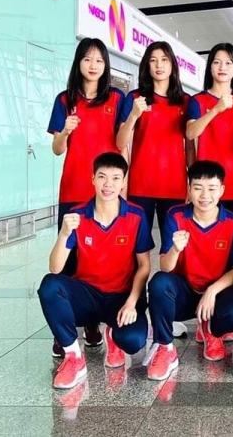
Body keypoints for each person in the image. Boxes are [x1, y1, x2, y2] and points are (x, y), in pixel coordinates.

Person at [37, 152, 153, 389]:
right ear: (93, 179)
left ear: (123, 182)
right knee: (50, 285)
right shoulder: (77, 215)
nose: (108, 184)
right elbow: (55, 267)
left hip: (120, 299)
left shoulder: (136, 215)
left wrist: (132, 302)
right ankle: (73, 357)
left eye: (115, 178)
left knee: (132, 341)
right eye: (102, 177)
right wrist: (64, 234)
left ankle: (112, 334)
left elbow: (144, 266)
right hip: (87, 295)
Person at [47, 38, 125, 355]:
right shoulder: (65, 100)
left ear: (105, 66)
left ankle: (92, 321)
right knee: (69, 259)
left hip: (105, 195)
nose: (93, 66)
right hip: (74, 189)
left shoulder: (116, 99)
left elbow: (122, 143)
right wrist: (65, 130)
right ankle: (63, 328)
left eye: (99, 61)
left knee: (99, 260)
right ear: (78, 62)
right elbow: (56, 149)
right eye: (87, 59)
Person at [146, 161, 233, 380]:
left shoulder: (232, 222)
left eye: (212, 188)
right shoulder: (176, 216)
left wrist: (212, 291)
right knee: (158, 283)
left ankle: (212, 330)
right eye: (198, 188)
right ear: (189, 189)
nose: (205, 195)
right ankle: (165, 348)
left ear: (221, 190)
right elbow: (165, 266)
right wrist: (175, 249)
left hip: (217, 292)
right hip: (184, 292)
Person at [117, 41, 194, 245]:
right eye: (153, 60)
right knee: (136, 246)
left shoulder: (185, 101)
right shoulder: (135, 98)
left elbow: (189, 145)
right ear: (146, 66)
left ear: (172, 65)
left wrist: (192, 180)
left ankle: (169, 279)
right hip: (141, 185)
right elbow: (120, 141)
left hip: (174, 185)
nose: (159, 65)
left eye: (164, 60)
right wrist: (134, 115)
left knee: (174, 245)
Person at [186, 43, 233, 232]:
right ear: (210, 67)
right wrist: (216, 110)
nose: (222, 67)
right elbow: (191, 133)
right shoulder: (198, 100)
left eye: (228, 63)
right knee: (207, 239)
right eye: (217, 62)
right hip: (207, 184)